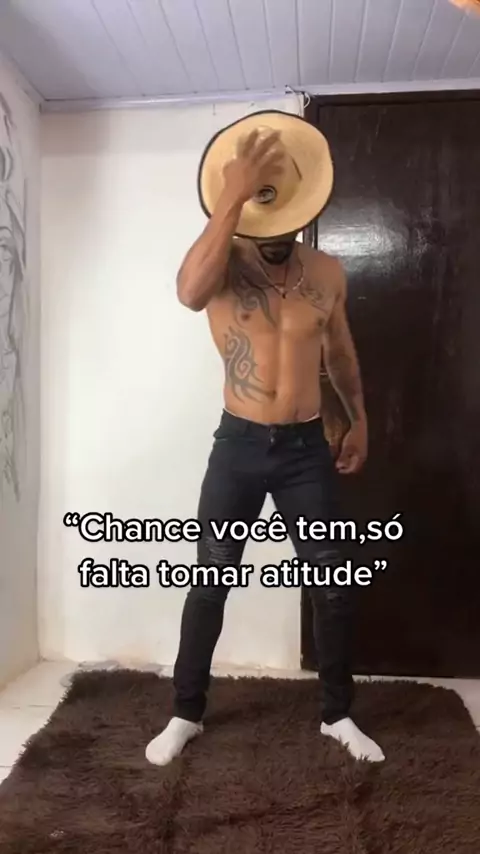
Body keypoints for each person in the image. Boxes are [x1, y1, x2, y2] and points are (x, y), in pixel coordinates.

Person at [146, 112, 385, 767]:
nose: (278, 234)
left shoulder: (327, 272)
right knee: (211, 579)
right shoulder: (221, 263)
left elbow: (340, 352)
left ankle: (337, 714)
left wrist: (358, 417)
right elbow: (187, 292)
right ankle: (185, 713)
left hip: (306, 449)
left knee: (333, 582)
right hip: (239, 446)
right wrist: (232, 194)